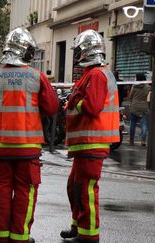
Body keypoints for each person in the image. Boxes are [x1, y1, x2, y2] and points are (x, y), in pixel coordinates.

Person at [0, 28, 58, 243]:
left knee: (0, 191)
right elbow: (52, 108)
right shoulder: (37, 77)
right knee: (25, 192)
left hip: (1, 147)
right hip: (28, 148)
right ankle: (20, 237)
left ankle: (0, 236)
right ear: (26, 52)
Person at [61, 29, 120, 243]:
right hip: (86, 143)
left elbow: (92, 107)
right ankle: (78, 226)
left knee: (85, 189)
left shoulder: (96, 74)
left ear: (85, 51)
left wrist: (72, 103)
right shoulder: (95, 73)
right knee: (75, 187)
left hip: (92, 142)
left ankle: (89, 235)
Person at [129, 73, 150, 146]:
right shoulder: (148, 87)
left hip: (134, 106)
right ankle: (143, 140)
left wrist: (132, 101)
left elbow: (130, 96)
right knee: (144, 124)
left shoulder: (134, 86)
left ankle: (131, 140)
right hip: (144, 107)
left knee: (133, 124)